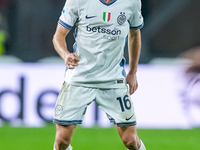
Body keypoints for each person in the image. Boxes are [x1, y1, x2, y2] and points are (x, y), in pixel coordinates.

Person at [52, 0, 146, 150]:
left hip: (113, 80)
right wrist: (65, 55)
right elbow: (58, 36)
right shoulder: (77, 1)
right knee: (62, 140)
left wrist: (133, 72)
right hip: (79, 78)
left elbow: (134, 34)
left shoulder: (132, 2)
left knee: (130, 141)